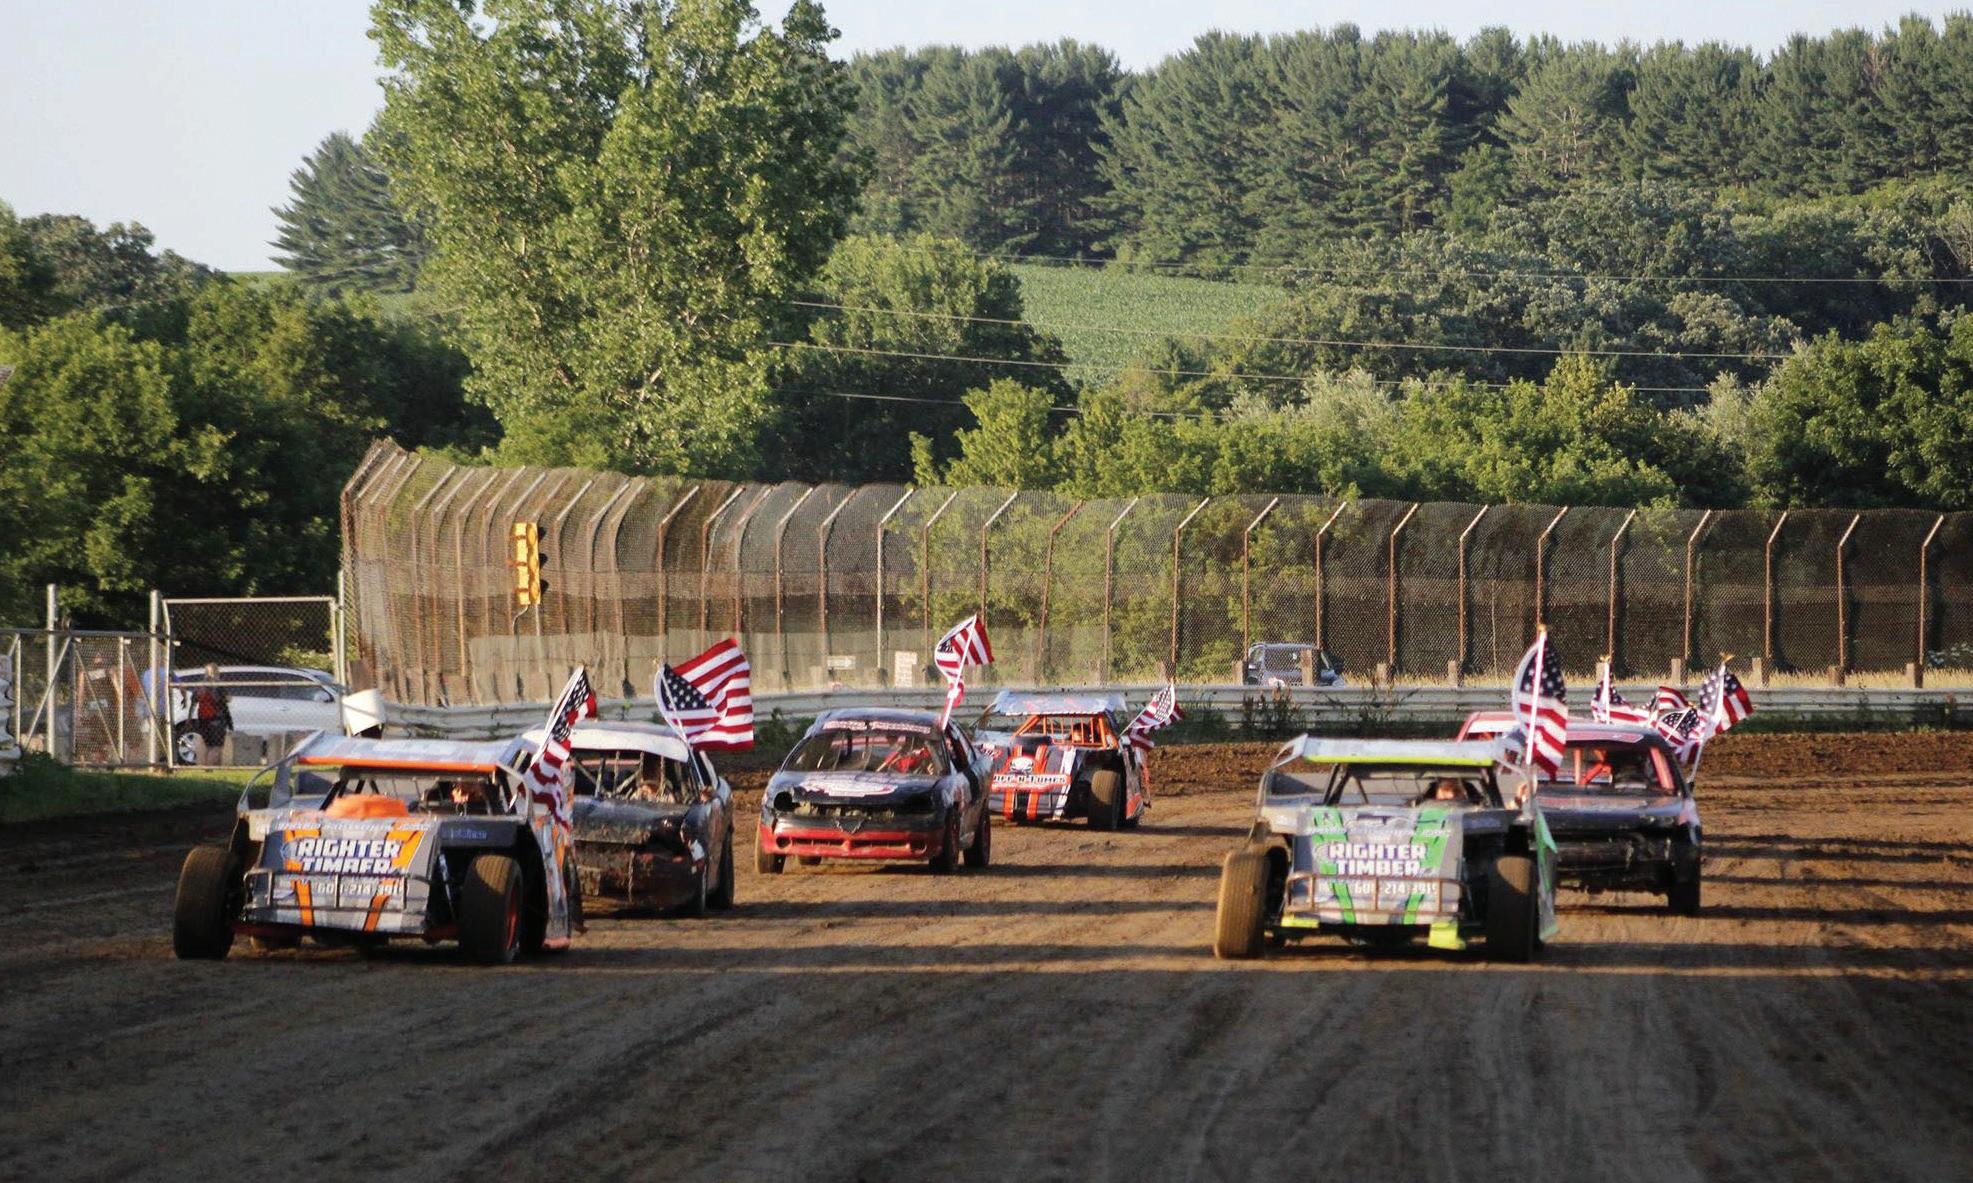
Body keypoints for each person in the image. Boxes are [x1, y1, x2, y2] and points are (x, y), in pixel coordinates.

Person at [187, 664, 232, 765]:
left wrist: (189, 719)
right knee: (216, 747)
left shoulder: (200, 687)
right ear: (216, 672)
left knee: (207, 745)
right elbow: (225, 699)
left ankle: (208, 767)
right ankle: (209, 767)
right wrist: (227, 698)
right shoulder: (218, 686)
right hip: (216, 719)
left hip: (202, 719)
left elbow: (193, 703)